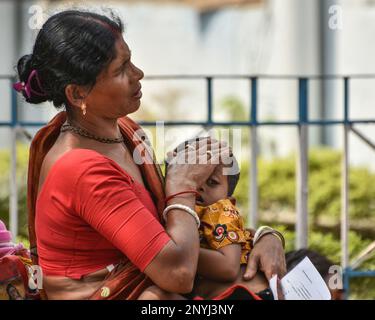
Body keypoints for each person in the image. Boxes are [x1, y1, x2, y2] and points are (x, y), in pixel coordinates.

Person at [14, 9, 286, 300]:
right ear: (78, 94)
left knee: (285, 277)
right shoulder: (81, 168)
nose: (137, 74)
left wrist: (263, 236)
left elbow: (161, 229)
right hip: (132, 293)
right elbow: (178, 274)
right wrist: (182, 186)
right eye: (121, 70)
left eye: (130, 60)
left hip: (155, 285)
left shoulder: (125, 131)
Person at [139, 144, 283, 300]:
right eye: (193, 177)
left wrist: (167, 250)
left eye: (212, 182)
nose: (199, 186)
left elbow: (228, 267)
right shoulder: (172, 212)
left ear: (229, 200)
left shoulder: (220, 212)